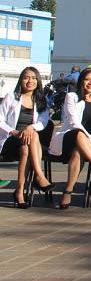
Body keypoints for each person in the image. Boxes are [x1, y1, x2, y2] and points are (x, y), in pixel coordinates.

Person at [49, 66, 91, 209]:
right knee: (79, 134)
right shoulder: (72, 97)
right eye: (87, 79)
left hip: (90, 145)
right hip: (69, 138)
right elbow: (74, 122)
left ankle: (68, 191)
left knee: (78, 152)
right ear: (81, 81)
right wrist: (90, 140)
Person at [0, 67, 55, 207]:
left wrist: (30, 127)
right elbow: (0, 120)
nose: (30, 81)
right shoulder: (11, 97)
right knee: (30, 138)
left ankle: (19, 192)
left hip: (29, 142)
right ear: (21, 80)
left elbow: (43, 122)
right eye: (26, 77)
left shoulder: (42, 100)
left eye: (33, 78)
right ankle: (39, 175)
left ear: (38, 81)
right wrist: (14, 132)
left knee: (28, 142)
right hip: (10, 139)